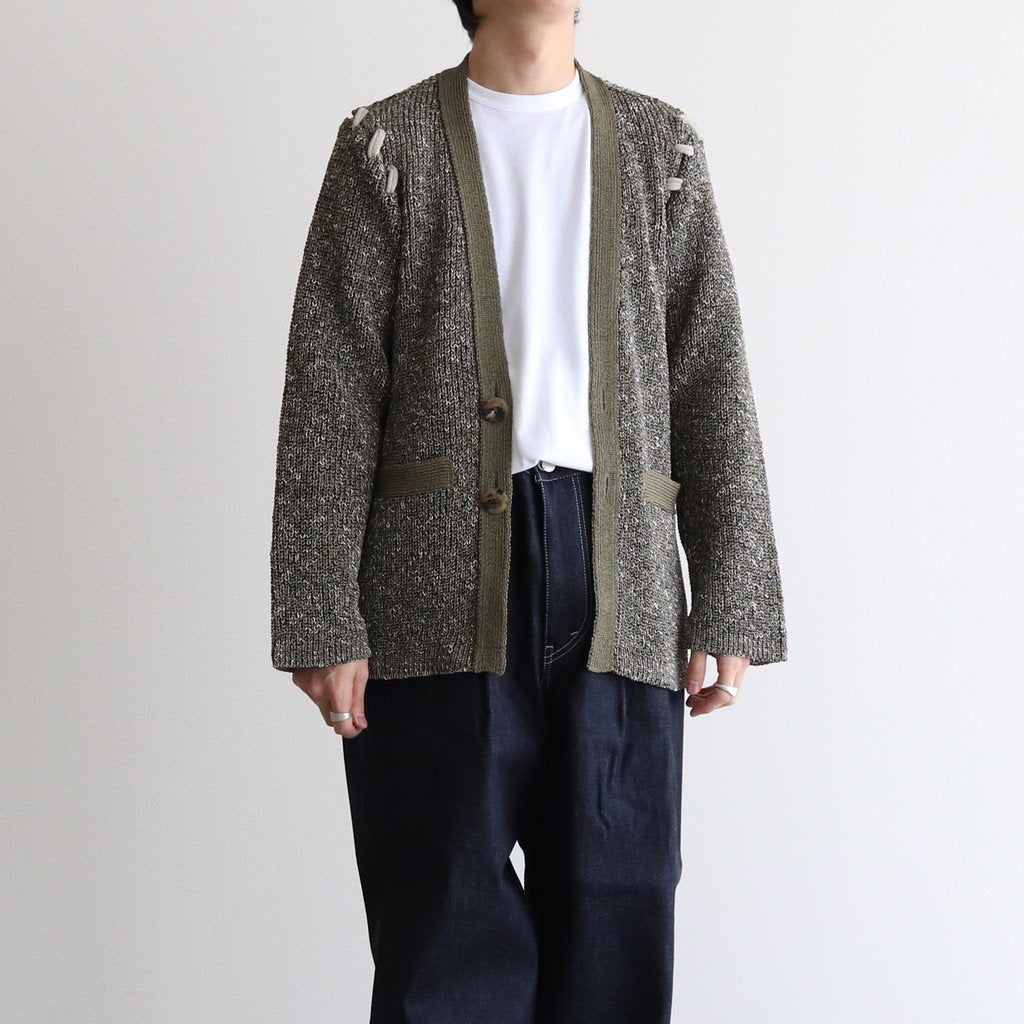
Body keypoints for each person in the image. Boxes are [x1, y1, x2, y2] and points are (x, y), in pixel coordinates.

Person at [269, 1, 787, 1020]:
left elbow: (710, 374)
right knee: (442, 942)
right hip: (431, 592)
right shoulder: (385, 147)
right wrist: (320, 610)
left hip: (623, 588)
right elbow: (329, 389)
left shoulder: (662, 148)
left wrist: (733, 589)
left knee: (617, 920)